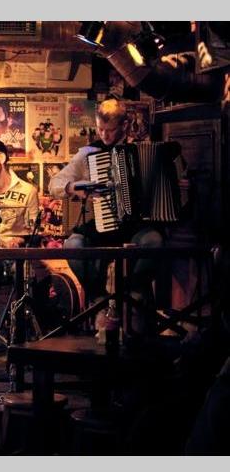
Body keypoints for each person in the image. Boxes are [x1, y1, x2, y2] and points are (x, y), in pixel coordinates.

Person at [48, 98, 163, 336]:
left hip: (136, 226)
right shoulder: (89, 153)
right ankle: (99, 298)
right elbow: (54, 184)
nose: (104, 135)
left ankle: (132, 294)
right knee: (73, 245)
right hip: (103, 225)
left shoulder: (143, 149)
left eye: (109, 130)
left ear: (124, 126)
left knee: (155, 242)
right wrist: (73, 187)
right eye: (100, 129)